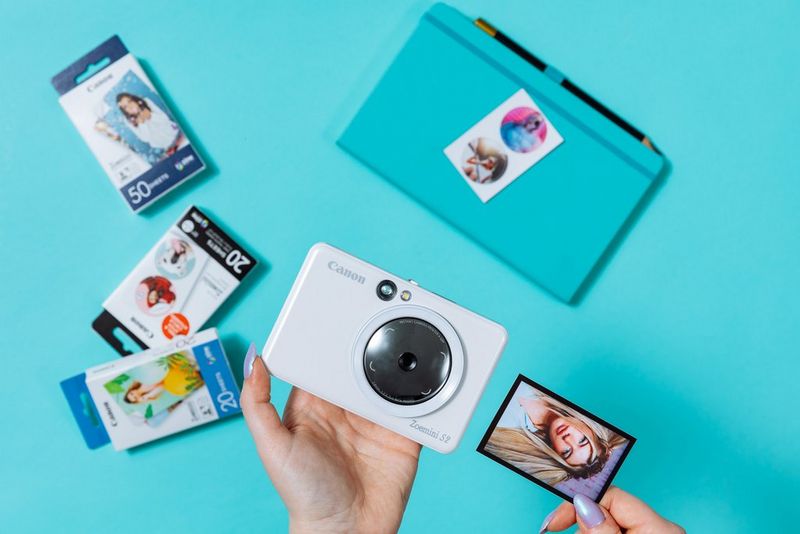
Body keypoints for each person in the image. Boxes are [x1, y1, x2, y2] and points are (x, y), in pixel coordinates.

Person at [240, 344, 683, 533]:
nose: (569, 444)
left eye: (569, 455)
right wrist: (336, 527)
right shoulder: (523, 418)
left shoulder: (515, 434)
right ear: (591, 431)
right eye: (581, 444)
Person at [485, 392, 628, 486]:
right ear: (590, 429)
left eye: (566, 452)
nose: (568, 439)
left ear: (554, 450)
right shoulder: (567, 392)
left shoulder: (509, 425)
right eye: (582, 441)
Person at [115, 92, 182, 153]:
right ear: (124, 111)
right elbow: (145, 138)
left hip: (176, 132)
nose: (130, 106)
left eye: (129, 101)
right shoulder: (128, 120)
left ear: (133, 99)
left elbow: (165, 119)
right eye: (125, 107)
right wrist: (142, 123)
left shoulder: (146, 102)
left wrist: (151, 116)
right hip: (165, 145)